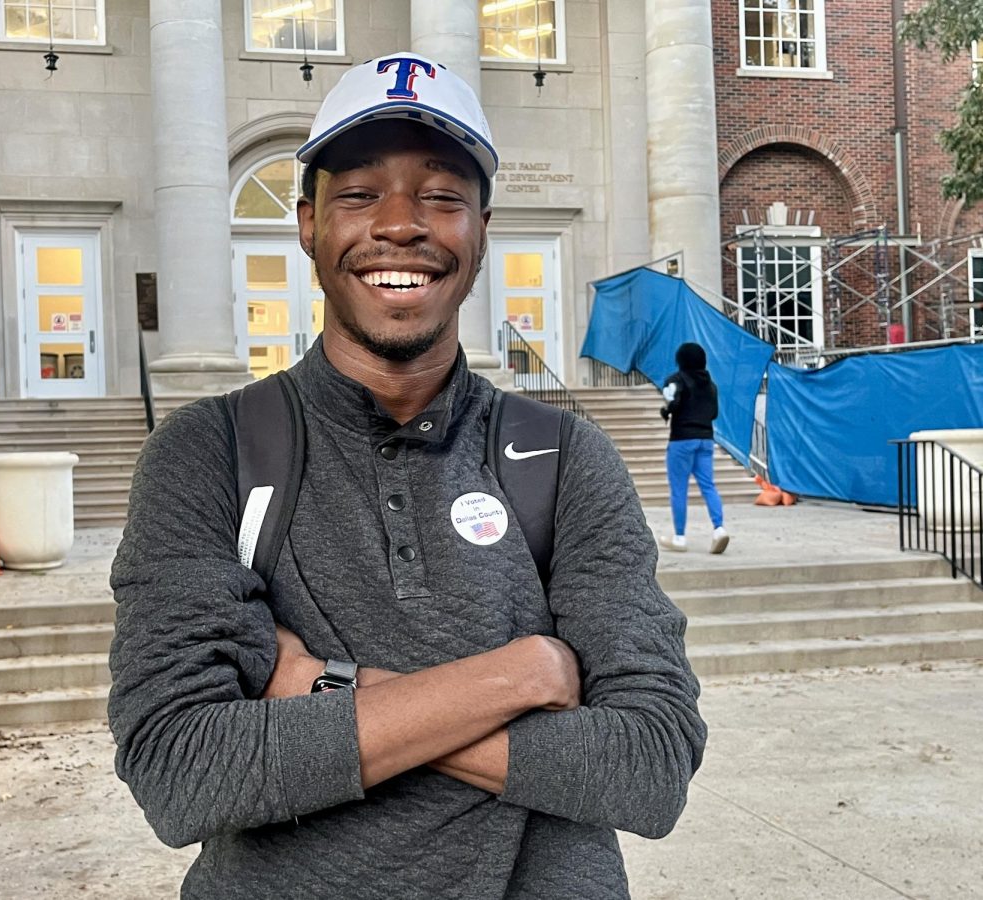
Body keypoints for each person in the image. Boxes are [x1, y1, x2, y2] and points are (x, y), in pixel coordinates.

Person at [109, 51, 706, 900]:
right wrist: (523, 674)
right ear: (309, 226)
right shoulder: (208, 454)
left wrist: (314, 685)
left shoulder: (565, 459)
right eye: (358, 193)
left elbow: (649, 768)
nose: (400, 224)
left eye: (441, 195)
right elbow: (182, 771)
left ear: (481, 231)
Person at [658, 342, 729, 554]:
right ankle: (719, 529)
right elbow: (713, 413)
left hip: (682, 440)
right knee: (708, 485)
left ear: (681, 360)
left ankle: (680, 536)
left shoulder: (676, 380)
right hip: (706, 439)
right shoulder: (711, 385)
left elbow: (674, 401)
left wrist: (667, 410)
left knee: (679, 489)